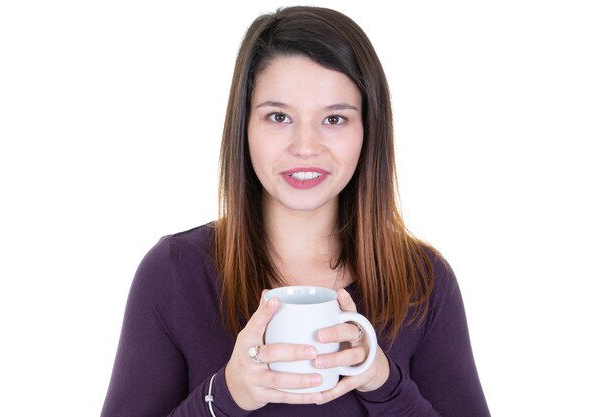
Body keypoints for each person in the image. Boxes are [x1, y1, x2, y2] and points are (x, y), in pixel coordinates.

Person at [101, 6, 491, 417]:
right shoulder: (173, 274)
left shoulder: (422, 283)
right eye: (279, 116)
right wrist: (224, 395)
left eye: (335, 118)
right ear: (244, 126)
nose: (306, 146)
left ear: (368, 131)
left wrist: (384, 383)